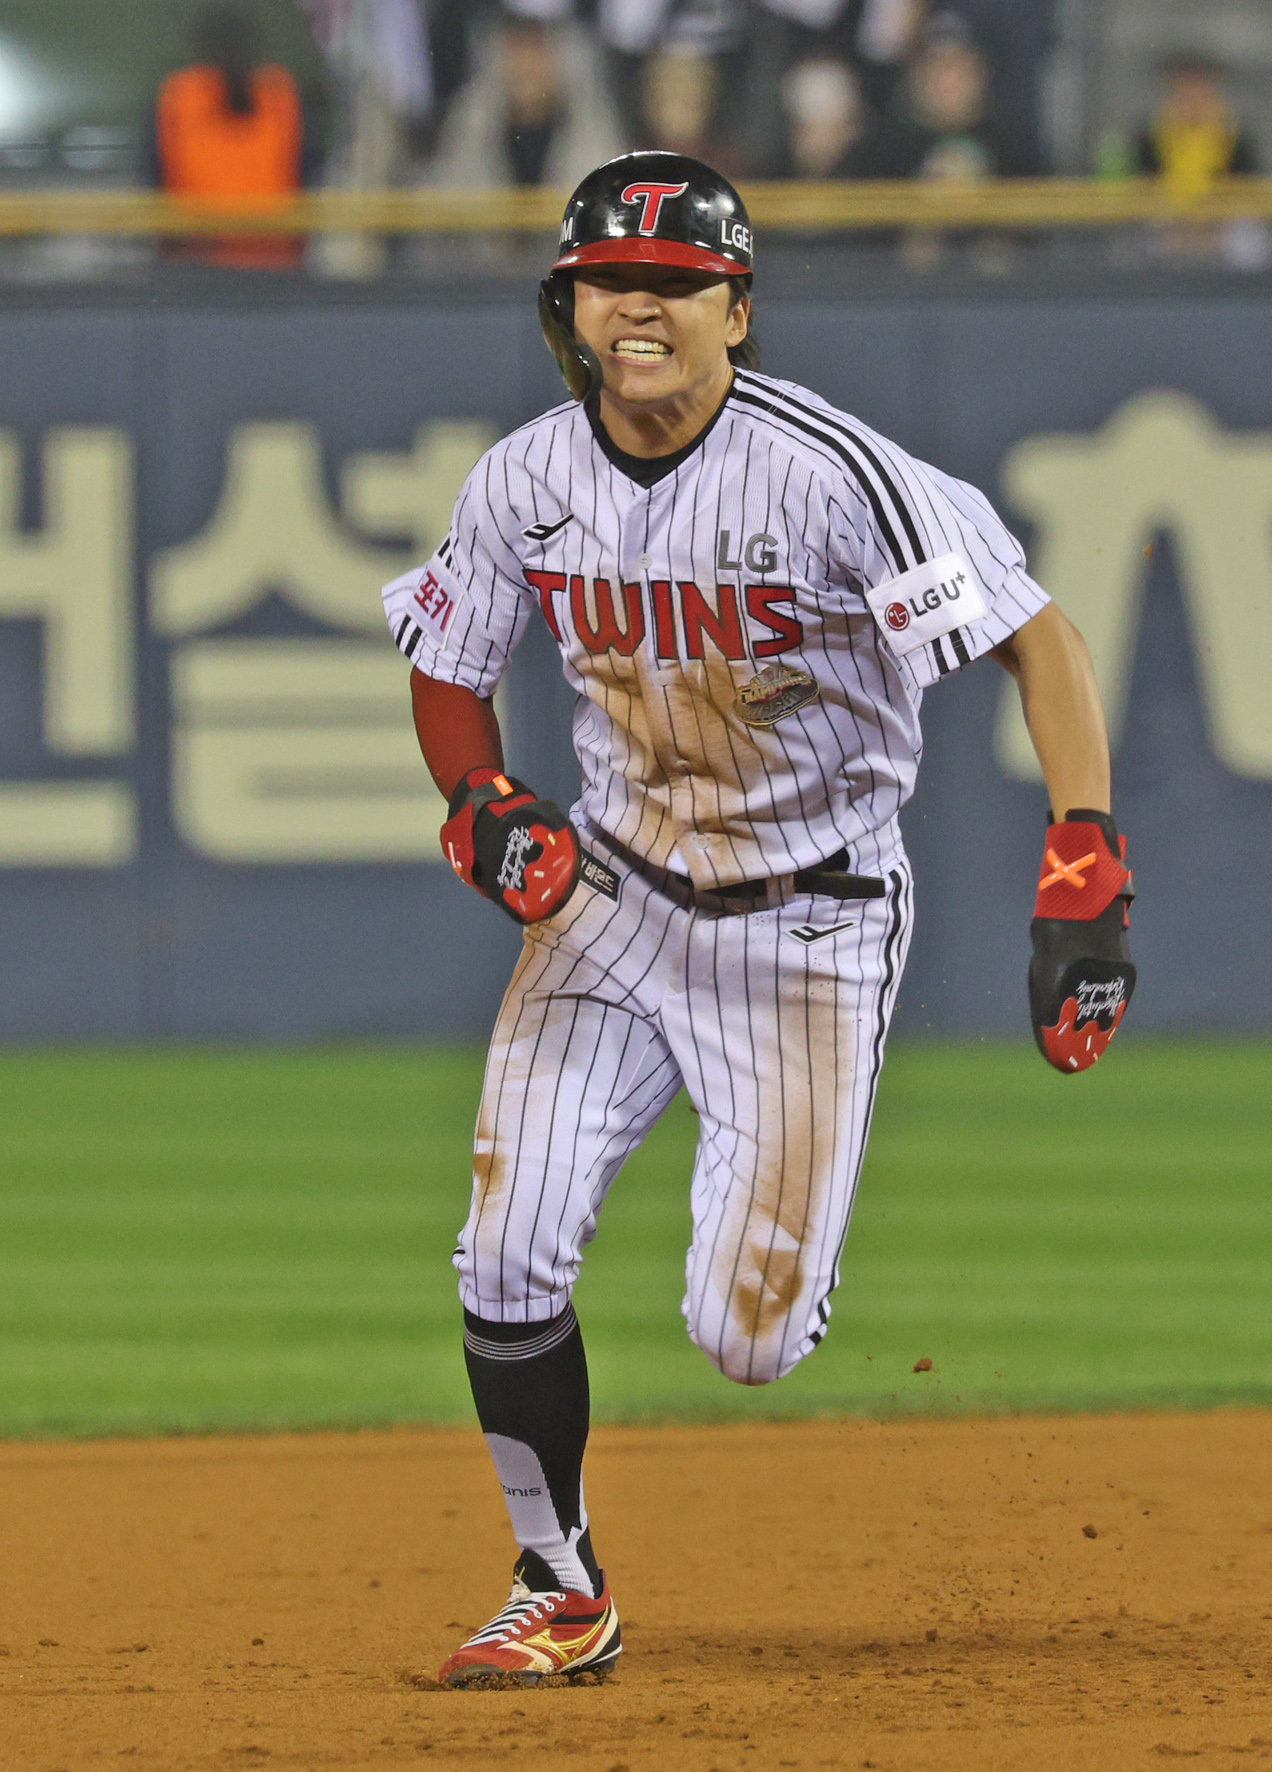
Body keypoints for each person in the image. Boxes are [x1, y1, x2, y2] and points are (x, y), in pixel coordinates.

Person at [382, 151, 1136, 1686]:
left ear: (737, 311)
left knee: (750, 1338)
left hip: (810, 918)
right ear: (569, 306)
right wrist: (480, 798)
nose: (640, 305)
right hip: (610, 897)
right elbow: (450, 660)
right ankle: (557, 1581)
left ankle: (779, 1260)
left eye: (677, 283)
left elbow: (1040, 639)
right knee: (505, 1253)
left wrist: (1086, 859)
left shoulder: (831, 475)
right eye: (612, 278)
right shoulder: (525, 478)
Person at [151, 6, 323, 269]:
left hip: (209, 260)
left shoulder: (180, 94)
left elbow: (155, 178)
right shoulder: (279, 93)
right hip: (267, 259)